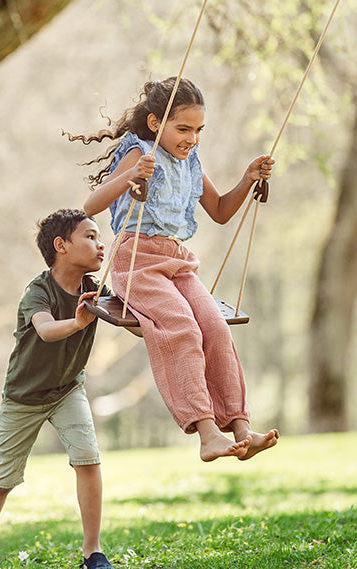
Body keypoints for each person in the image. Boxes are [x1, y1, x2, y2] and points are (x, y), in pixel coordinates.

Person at [70, 76, 279, 463]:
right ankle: (206, 434)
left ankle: (240, 428)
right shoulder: (139, 154)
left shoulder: (191, 163)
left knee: (214, 327)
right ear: (155, 124)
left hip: (180, 263)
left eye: (198, 130)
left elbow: (219, 212)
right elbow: (91, 205)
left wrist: (248, 178)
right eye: (183, 129)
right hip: (138, 262)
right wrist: (131, 177)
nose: (192, 138)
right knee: (181, 327)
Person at [0, 209, 114, 569]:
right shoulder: (38, 291)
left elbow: (132, 318)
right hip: (25, 398)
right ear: (61, 246)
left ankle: (92, 552)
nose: (101, 244)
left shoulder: (97, 289)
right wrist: (79, 322)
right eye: (91, 236)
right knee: (4, 478)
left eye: (99, 237)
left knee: (88, 459)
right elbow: (46, 331)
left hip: (68, 389)